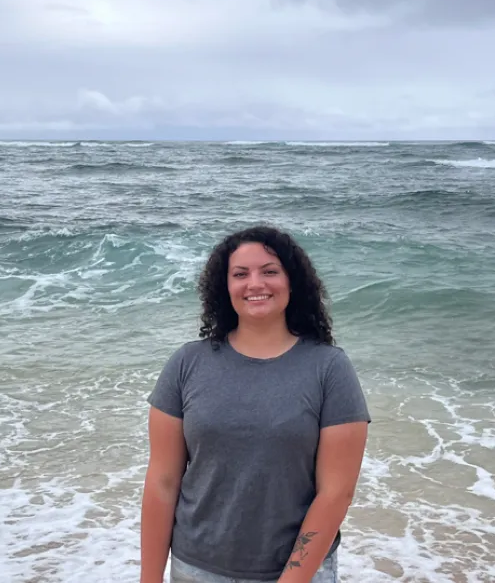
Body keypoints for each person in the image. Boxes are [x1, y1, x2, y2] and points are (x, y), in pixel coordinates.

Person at [140, 225, 371, 583]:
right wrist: (150, 577)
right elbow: (162, 480)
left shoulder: (329, 368)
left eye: (270, 271)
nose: (255, 284)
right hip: (196, 569)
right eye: (240, 274)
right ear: (225, 286)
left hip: (298, 572)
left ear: (292, 282)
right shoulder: (187, 364)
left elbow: (336, 492)